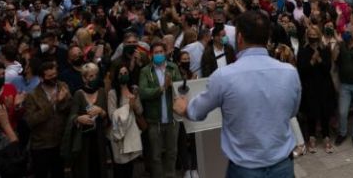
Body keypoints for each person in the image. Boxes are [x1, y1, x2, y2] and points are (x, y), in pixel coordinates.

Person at [175, 9, 301, 178]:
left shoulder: (223, 76)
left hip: (245, 169)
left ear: (239, 38)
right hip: (282, 166)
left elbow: (196, 112)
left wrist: (183, 107)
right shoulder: (290, 72)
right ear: (267, 38)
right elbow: (291, 111)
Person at [139, 43, 182, 178]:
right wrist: (161, 89)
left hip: (172, 119)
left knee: (172, 152)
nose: (159, 54)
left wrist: (172, 84)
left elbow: (180, 89)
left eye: (161, 52)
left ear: (165, 53)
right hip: (154, 120)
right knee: (156, 155)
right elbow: (143, 92)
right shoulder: (146, 71)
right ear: (151, 55)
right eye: (156, 52)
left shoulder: (173, 68)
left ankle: (171, 175)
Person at [24, 61, 70, 178]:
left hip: (60, 142)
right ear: (41, 77)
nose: (53, 78)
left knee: (59, 173)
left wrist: (62, 102)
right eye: (49, 76)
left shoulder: (63, 86)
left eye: (55, 74)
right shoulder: (32, 95)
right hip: (41, 145)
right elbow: (31, 121)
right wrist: (53, 103)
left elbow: (69, 109)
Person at [61, 62, 108, 178]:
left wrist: (101, 111)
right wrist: (79, 119)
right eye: (91, 76)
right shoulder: (78, 94)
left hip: (99, 138)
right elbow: (72, 117)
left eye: (96, 75)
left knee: (100, 169)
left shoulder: (102, 92)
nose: (94, 78)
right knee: (85, 169)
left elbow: (107, 116)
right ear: (84, 78)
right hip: (83, 140)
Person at [296, 24, 336, 154]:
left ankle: (326, 137)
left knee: (325, 113)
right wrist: (312, 62)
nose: (313, 37)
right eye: (310, 35)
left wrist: (319, 60)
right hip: (310, 86)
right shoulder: (303, 49)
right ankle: (311, 137)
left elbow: (328, 68)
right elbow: (301, 70)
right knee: (311, 113)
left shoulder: (324, 49)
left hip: (324, 85)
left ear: (319, 36)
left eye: (315, 35)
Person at [107, 64, 144, 178]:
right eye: (121, 74)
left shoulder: (133, 89)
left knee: (129, 165)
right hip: (118, 135)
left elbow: (140, 111)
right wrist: (129, 107)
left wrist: (135, 99)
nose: (124, 76)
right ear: (117, 76)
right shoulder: (112, 93)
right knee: (119, 167)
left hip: (130, 132)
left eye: (126, 73)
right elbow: (112, 115)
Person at [333, 27, 353, 150]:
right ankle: (342, 133)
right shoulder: (341, 46)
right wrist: (337, 43)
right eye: (346, 32)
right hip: (345, 85)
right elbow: (334, 58)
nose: (348, 34)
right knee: (342, 112)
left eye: (350, 32)